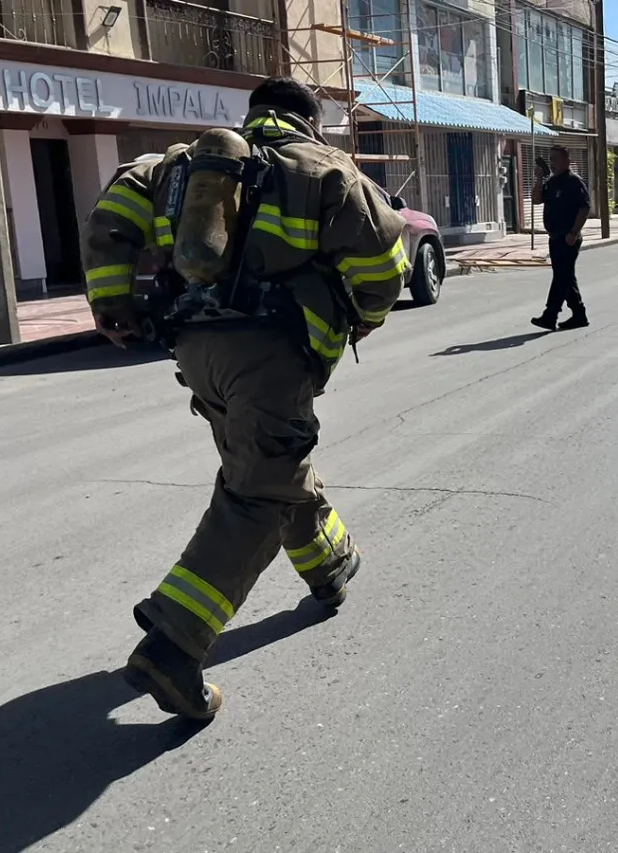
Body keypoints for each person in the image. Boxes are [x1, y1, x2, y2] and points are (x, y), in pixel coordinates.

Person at [81, 77, 411, 720]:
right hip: (273, 354)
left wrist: (110, 303)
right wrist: (365, 315)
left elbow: (110, 217)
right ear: (308, 122)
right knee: (259, 491)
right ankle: (174, 643)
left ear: (256, 114)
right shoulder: (322, 167)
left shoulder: (180, 166)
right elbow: (384, 263)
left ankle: (329, 564)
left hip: (196, 352)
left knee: (268, 467)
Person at [531, 146, 591, 331]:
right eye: (550, 159)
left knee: (560, 277)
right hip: (555, 237)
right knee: (566, 277)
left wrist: (573, 232)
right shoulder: (552, 181)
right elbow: (536, 199)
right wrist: (539, 179)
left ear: (567, 161)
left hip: (568, 236)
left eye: (556, 159)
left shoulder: (574, 182)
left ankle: (550, 315)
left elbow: (584, 208)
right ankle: (579, 314)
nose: (552, 163)